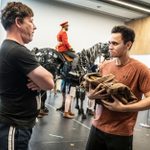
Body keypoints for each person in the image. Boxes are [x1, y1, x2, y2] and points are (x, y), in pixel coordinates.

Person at [85, 25, 150, 150]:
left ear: (128, 45)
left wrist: (124, 108)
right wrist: (90, 95)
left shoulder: (141, 70)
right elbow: (94, 91)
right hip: (97, 127)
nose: (110, 47)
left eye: (115, 43)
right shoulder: (104, 66)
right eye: (109, 43)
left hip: (121, 133)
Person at [0, 2, 54, 150]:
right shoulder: (17, 50)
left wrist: (40, 82)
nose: (34, 26)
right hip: (14, 127)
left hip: (18, 124)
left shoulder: (9, 48)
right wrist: (42, 82)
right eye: (31, 21)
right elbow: (50, 82)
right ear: (18, 22)